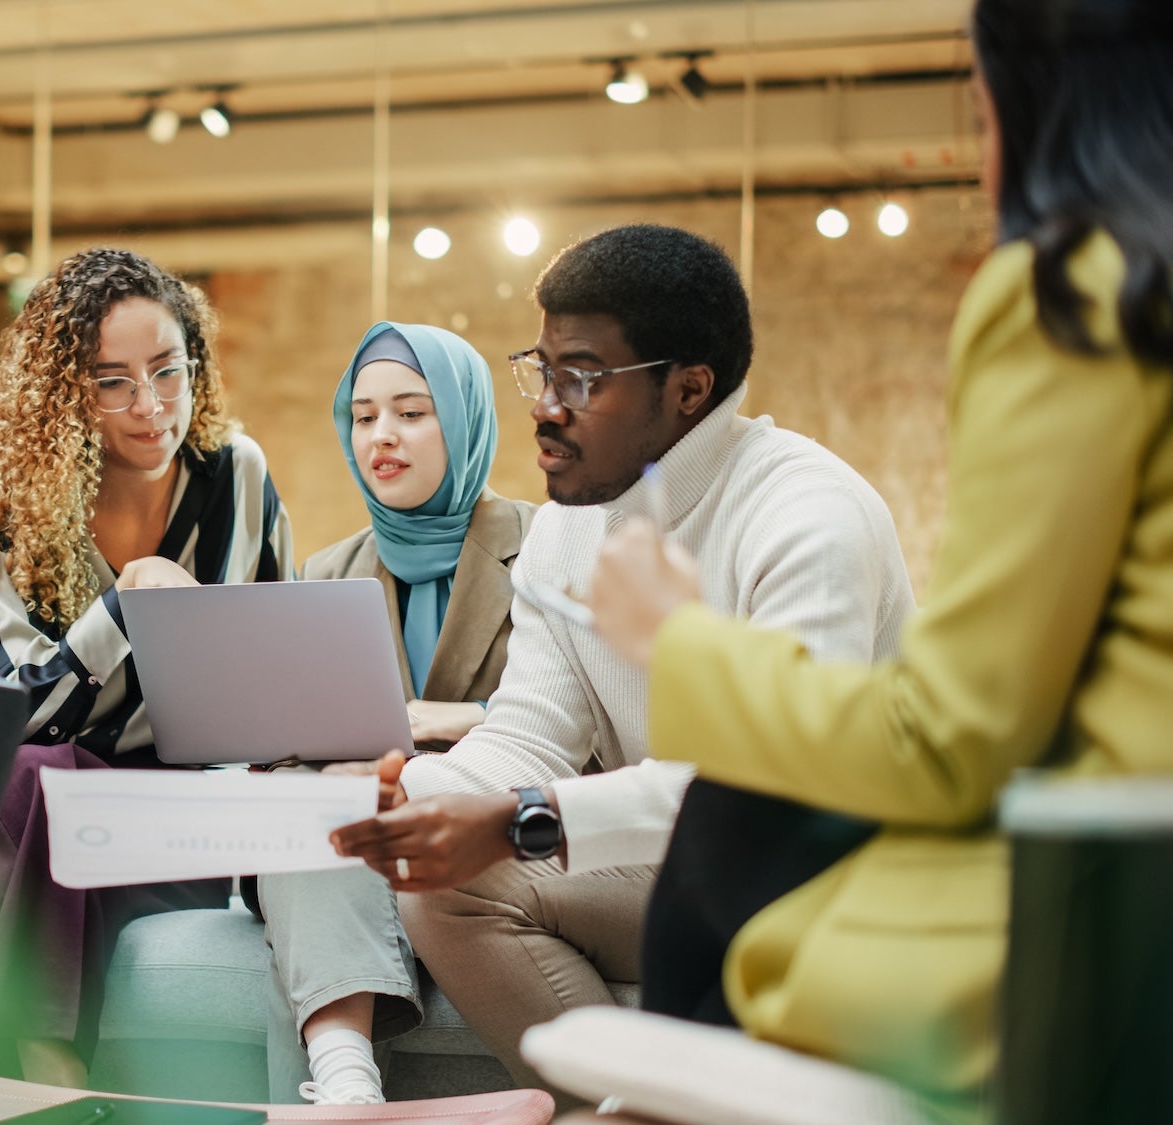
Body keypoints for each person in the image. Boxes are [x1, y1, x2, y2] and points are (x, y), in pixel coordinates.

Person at [585, 1, 1173, 1119]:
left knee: (730, 838)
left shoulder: (1075, 293)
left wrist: (673, 638)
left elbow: (945, 740)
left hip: (1107, 921)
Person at [330, 223, 914, 1105]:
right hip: (691, 876)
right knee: (447, 888)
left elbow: (770, 792)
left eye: (582, 377)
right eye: (541, 367)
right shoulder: (573, 520)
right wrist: (413, 795)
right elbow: (530, 732)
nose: (545, 405)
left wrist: (517, 818)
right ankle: (596, 1108)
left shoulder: (807, 515)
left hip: (834, 884)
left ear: (689, 389)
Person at [0, 246, 292, 1087]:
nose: (152, 406)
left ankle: (17, 1077)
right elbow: (7, 715)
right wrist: (125, 608)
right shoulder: (3, 511)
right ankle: (52, 1071)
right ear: (63, 395)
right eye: (112, 380)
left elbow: (271, 668)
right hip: (31, 815)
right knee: (35, 770)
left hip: (168, 820)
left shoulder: (238, 475)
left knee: (42, 783)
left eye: (168, 370)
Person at [256, 322, 535, 1105]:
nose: (382, 435)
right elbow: (295, 737)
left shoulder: (546, 546)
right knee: (307, 802)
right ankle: (347, 1084)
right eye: (364, 413)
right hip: (361, 831)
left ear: (464, 418)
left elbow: (581, 726)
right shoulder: (326, 570)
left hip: (489, 823)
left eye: (413, 412)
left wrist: (441, 722)